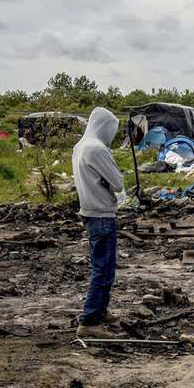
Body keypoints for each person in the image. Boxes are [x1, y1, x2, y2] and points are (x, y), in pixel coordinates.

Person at [72, 107, 124, 339]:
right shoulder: (98, 149)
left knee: (102, 267)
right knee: (103, 270)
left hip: (89, 212)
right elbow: (118, 183)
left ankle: (100, 311)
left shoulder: (80, 146)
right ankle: (89, 320)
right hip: (102, 214)